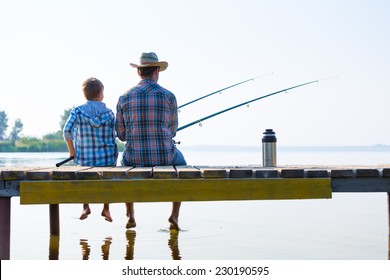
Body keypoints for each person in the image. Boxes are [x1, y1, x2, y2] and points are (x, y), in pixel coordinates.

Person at [115, 52, 187, 230]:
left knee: (124, 165)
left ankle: (130, 215)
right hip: (166, 158)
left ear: (139, 72)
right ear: (157, 71)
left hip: (134, 159)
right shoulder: (169, 96)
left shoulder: (124, 97)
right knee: (183, 166)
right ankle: (174, 216)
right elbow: (172, 130)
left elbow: (121, 134)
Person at [63, 77, 118, 222]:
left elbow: (66, 131)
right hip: (108, 160)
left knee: (83, 177)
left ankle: (85, 206)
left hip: (84, 160)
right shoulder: (110, 114)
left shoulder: (77, 112)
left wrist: (72, 152)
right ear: (101, 94)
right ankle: (106, 209)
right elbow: (116, 134)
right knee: (108, 179)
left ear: (85, 95)